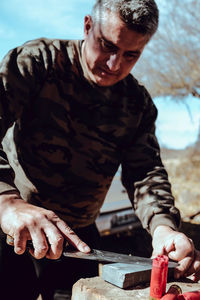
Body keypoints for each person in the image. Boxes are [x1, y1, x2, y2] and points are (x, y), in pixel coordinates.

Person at [0, 0, 199, 299]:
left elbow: (145, 172)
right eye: (107, 46)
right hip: (13, 230)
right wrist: (6, 201)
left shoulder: (137, 104)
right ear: (87, 26)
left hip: (79, 239)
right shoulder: (37, 61)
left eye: (131, 55)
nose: (114, 65)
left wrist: (163, 229)